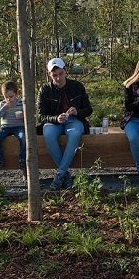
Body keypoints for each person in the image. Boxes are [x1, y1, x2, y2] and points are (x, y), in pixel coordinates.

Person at [38, 57, 93, 190]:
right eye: (54, 75)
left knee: (74, 135)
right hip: (54, 122)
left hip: (74, 120)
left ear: (65, 71)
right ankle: (65, 175)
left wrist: (77, 112)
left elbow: (88, 110)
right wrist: (56, 118)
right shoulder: (45, 90)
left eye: (61, 74)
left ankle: (59, 175)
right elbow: (41, 116)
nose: (58, 78)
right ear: (49, 74)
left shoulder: (77, 86)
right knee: (48, 134)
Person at [0, 81, 26, 175]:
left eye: (11, 96)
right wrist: (4, 108)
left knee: (23, 137)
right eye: (6, 97)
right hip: (5, 127)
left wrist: (23, 116)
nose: (8, 99)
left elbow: (29, 116)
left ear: (16, 94)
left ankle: (22, 159)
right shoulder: (2, 104)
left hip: (18, 126)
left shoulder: (21, 103)